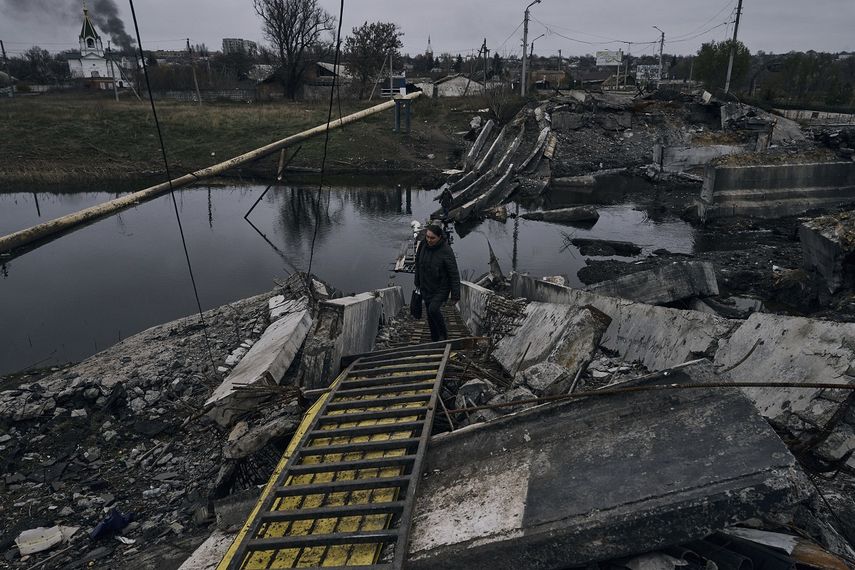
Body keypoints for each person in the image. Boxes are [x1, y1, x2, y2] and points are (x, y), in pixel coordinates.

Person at [414, 224, 461, 342]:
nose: (429, 240)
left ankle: (443, 334)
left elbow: (454, 273)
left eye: (432, 238)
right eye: (427, 237)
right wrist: (417, 281)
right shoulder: (423, 245)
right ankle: (435, 338)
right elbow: (418, 263)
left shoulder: (446, 250)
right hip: (426, 286)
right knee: (430, 314)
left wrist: (455, 295)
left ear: (439, 237)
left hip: (441, 288)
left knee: (433, 309)